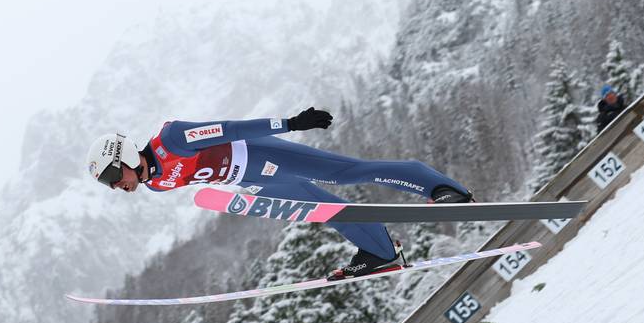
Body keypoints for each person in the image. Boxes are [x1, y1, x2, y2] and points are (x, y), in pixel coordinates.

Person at [85, 108, 474, 279]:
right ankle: (382, 252)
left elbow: (229, 129)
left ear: (127, 156)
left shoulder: (172, 139)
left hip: (260, 154)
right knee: (323, 208)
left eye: (114, 175)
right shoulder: (154, 182)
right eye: (109, 184)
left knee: (345, 172)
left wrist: (289, 123)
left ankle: (441, 188)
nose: (118, 186)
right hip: (251, 178)